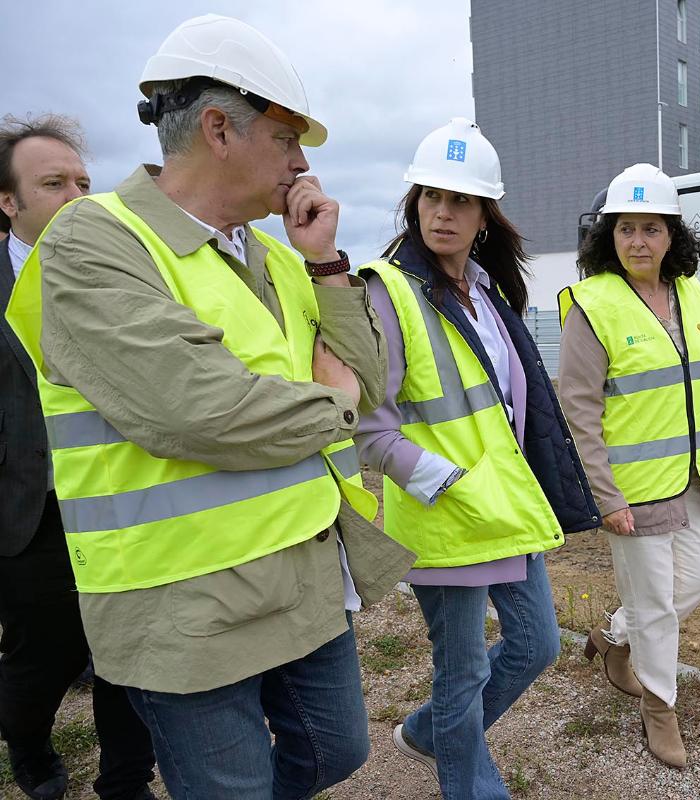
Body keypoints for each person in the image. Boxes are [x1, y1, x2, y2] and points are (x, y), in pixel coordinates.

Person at [4, 15, 416, 798]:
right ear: (219, 129)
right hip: (184, 609)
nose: (302, 164)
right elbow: (200, 410)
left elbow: (368, 383)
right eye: (287, 138)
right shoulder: (93, 241)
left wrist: (326, 264)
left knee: (338, 754)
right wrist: (332, 400)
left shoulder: (274, 255)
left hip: (302, 576)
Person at [354, 117, 598, 799]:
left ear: (485, 214)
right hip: (446, 516)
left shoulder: (487, 292)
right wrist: (448, 481)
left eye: (460, 200)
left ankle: (431, 733)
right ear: (415, 203)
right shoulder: (388, 290)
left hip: (500, 507)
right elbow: (370, 429)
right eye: (431, 196)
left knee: (537, 644)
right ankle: (470, 783)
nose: (442, 212)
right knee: (461, 674)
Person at [557, 163, 700, 768]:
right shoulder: (593, 305)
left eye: (651, 229)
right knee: (653, 606)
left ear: (672, 235)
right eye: (626, 229)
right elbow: (579, 409)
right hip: (634, 489)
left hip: (695, 477)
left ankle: (611, 637)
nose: (638, 241)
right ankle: (658, 708)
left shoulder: (690, 293)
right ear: (609, 236)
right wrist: (605, 495)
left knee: (699, 581)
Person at [0, 115, 157, 800]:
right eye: (54, 183)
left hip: (121, 499)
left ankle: (126, 779)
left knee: (129, 649)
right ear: (8, 201)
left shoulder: (120, 272)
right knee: (42, 657)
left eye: (84, 183)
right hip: (30, 511)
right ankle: (30, 748)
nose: (76, 196)